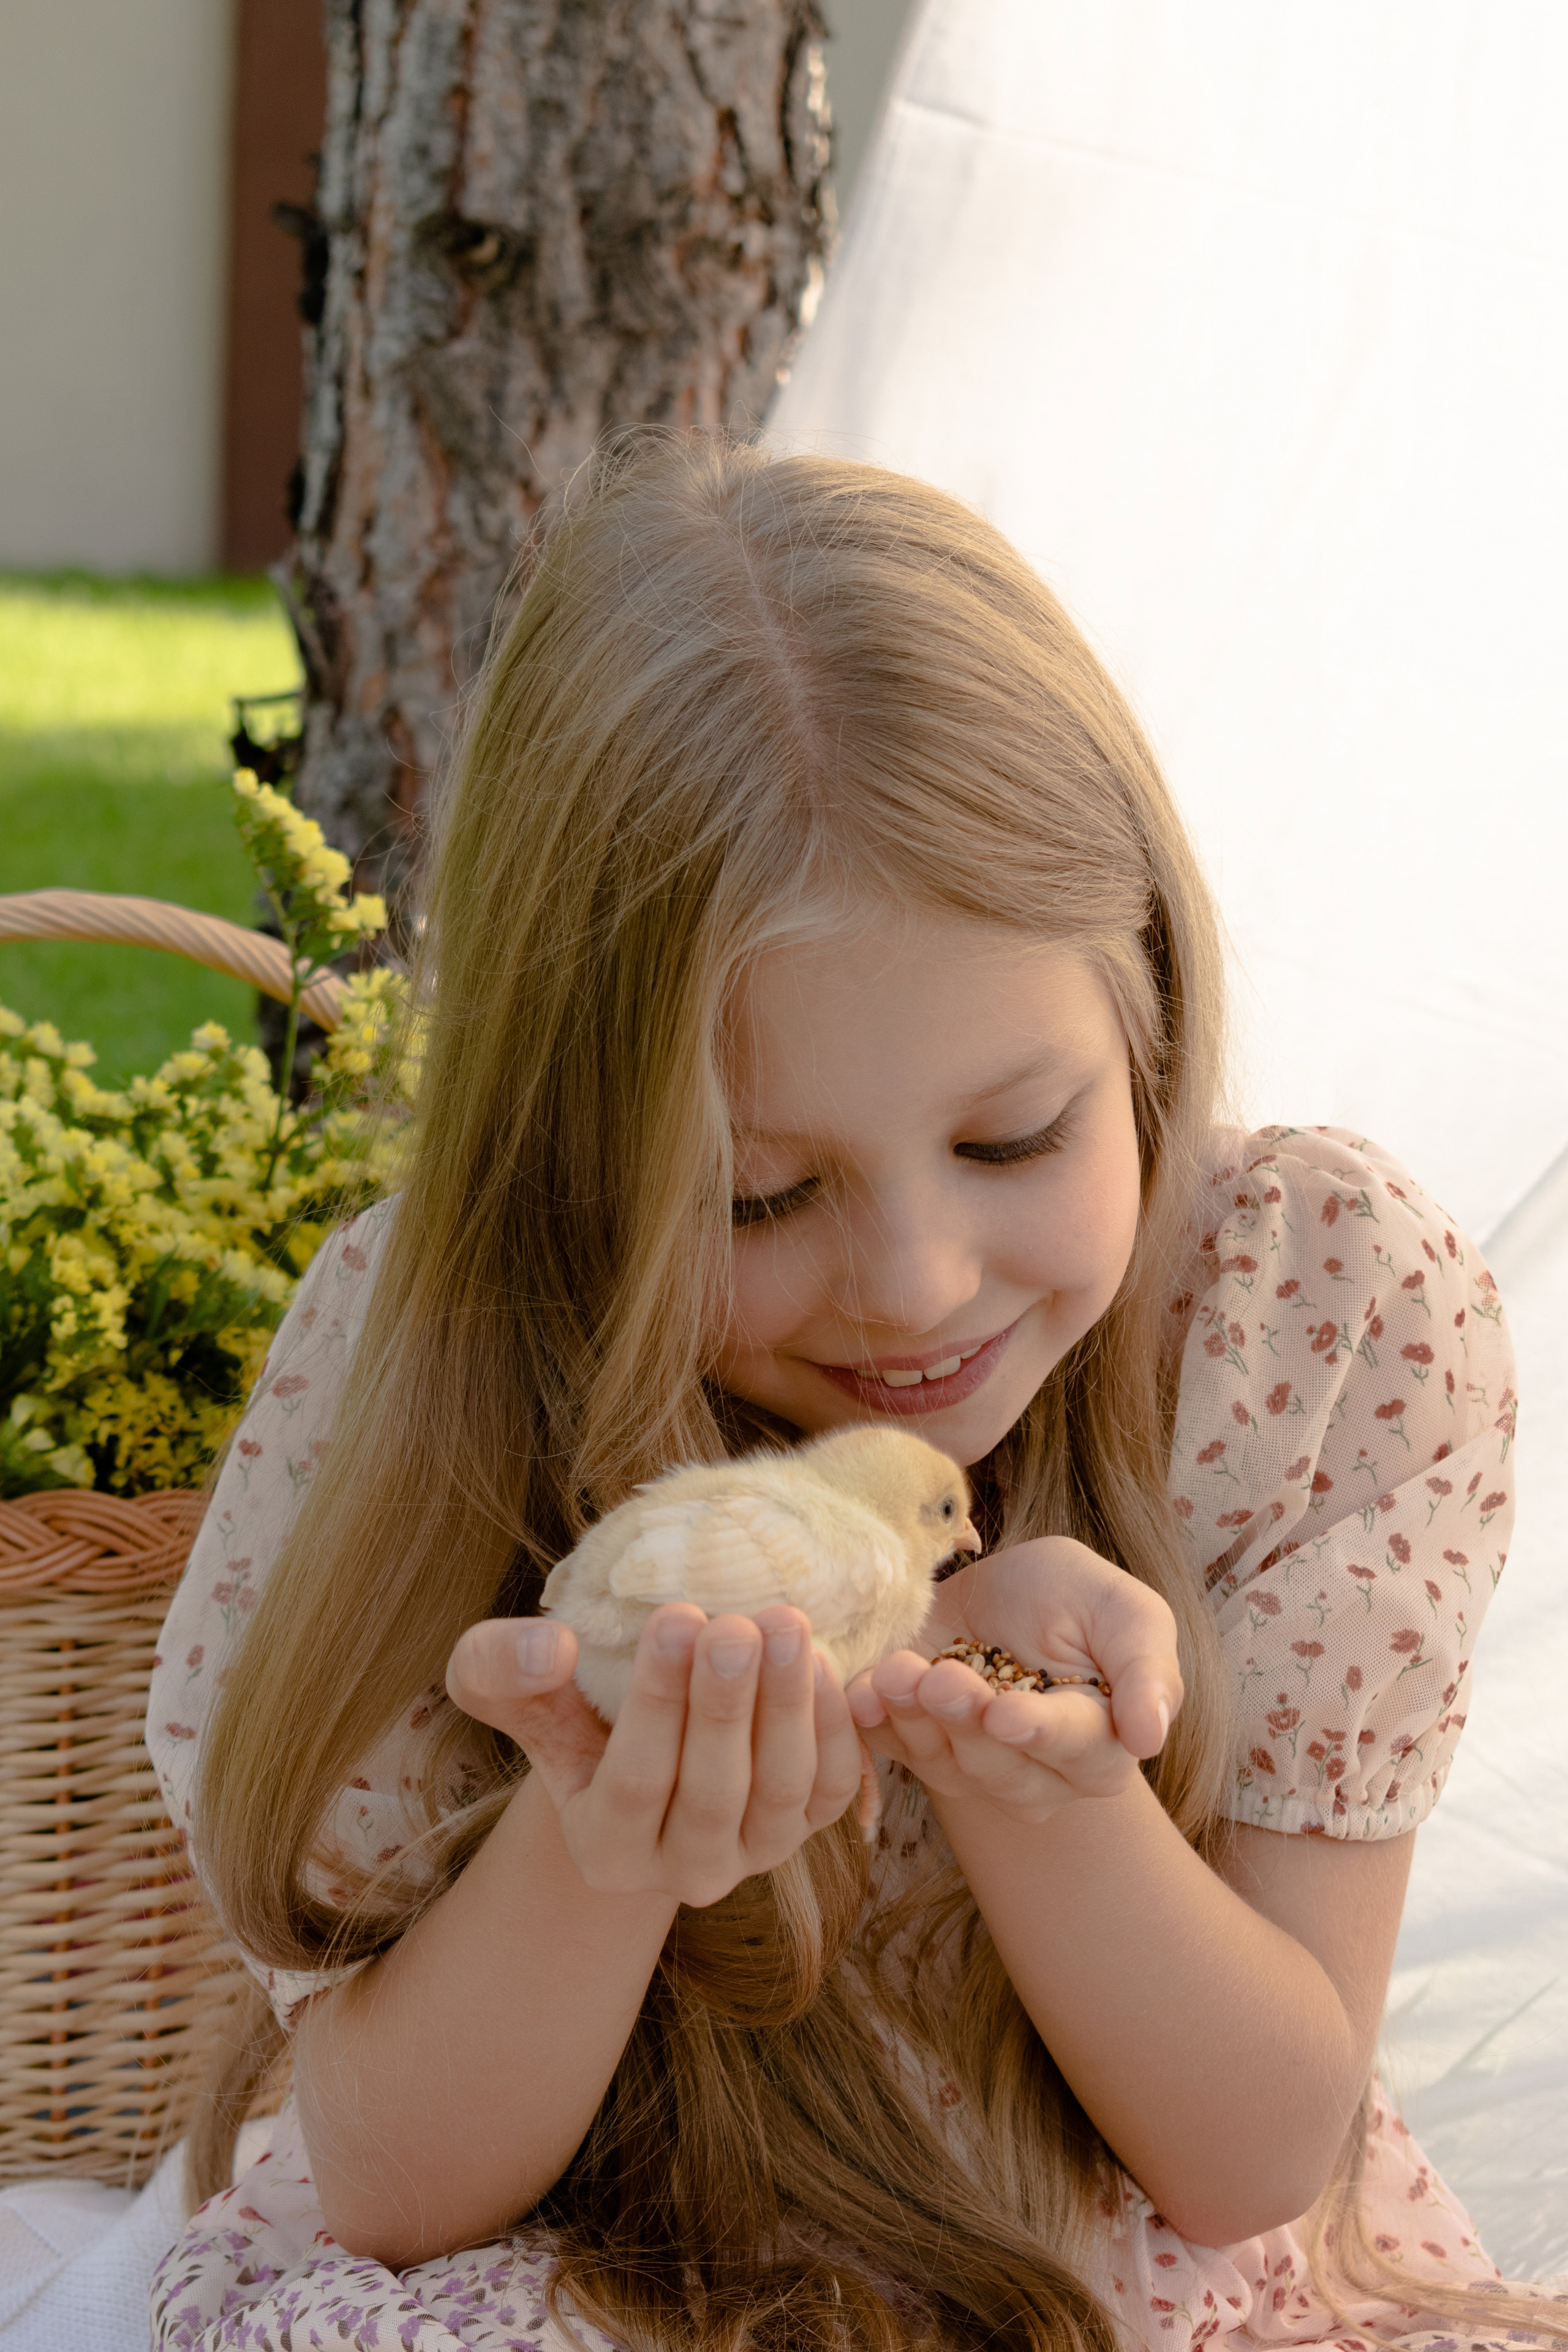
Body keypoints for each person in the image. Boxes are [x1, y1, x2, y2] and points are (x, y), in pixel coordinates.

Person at [145, 435, 1561, 2352]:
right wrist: (598, 1842)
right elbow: (396, 2192)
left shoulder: (1300, 1324)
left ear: (1147, 1011)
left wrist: (1043, 1788)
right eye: (758, 1195)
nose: (914, 1284)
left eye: (1014, 1137)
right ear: (570, 1167)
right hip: (627, 2275)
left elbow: (1251, 2163)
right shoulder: (448, 1348)